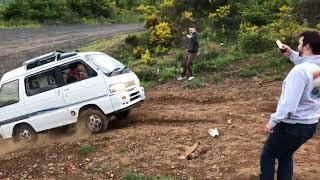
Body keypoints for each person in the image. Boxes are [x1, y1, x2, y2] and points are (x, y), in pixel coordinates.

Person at [260, 31, 320, 180]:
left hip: (292, 125)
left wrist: (273, 121)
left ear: (306, 46)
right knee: (285, 155)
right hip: (310, 124)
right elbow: (308, 64)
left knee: (268, 155)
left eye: (300, 43)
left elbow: (289, 106)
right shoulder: (315, 68)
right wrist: (292, 54)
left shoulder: (299, 72)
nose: (298, 46)